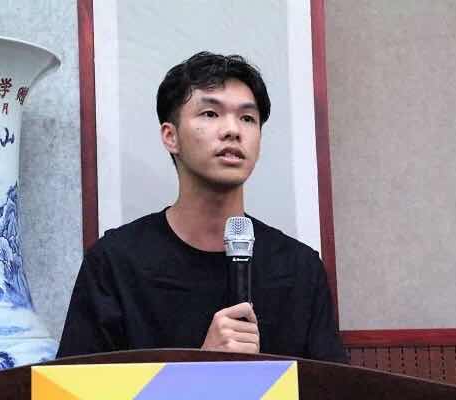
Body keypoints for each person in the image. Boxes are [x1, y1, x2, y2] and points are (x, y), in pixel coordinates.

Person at [57, 51, 347, 362]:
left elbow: (330, 383)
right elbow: (73, 385)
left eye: (247, 118)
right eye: (210, 113)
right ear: (171, 136)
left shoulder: (300, 269)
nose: (233, 130)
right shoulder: (115, 262)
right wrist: (200, 367)